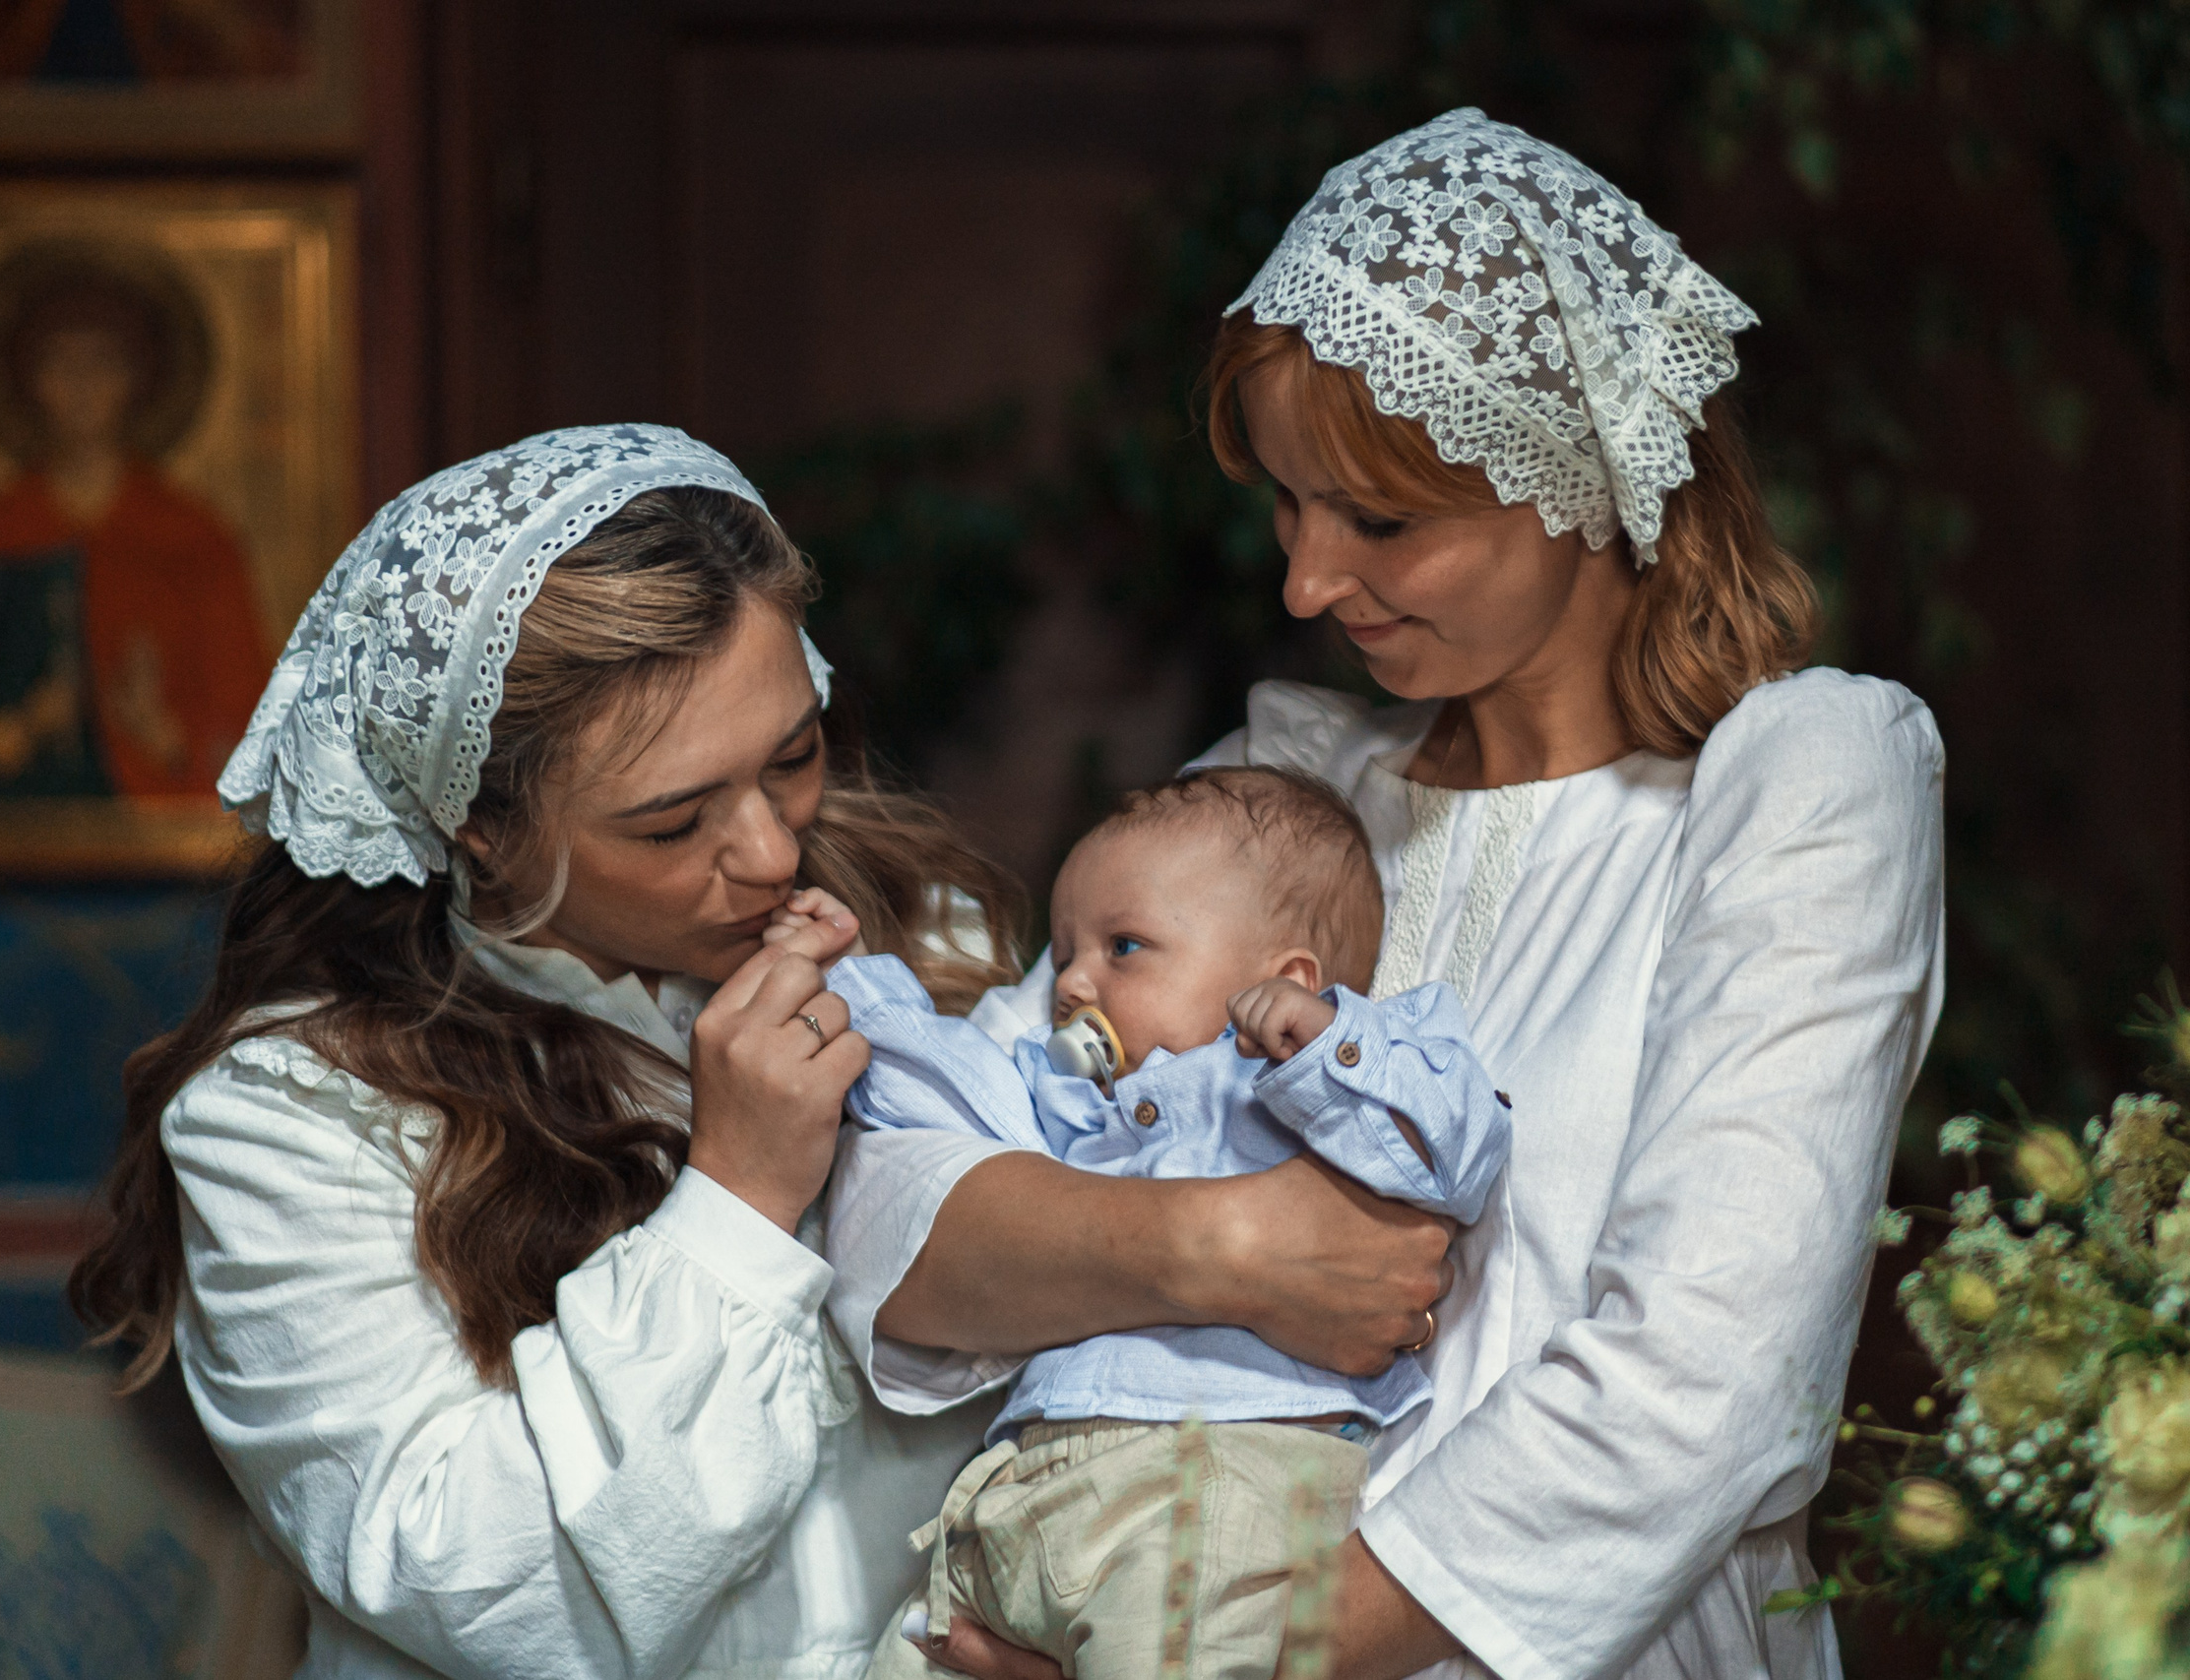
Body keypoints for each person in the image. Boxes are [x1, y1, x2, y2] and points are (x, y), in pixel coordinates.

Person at [829, 108, 1943, 1680]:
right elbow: (907, 1195)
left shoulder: (1791, 786)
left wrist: (1209, 1654)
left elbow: (1713, 1378)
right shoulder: (1293, 788)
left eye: (1381, 520)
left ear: (1574, 475)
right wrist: (1215, 1249)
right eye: (1287, 504)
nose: (1302, 582)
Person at [67, 424, 1424, 1679]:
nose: (772, 849)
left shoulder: (931, 942)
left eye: (793, 753)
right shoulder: (295, 1112)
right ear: (477, 826)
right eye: (671, 822)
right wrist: (736, 1195)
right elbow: (486, 1589)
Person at [810, 765, 1507, 1679]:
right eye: (1064, 952)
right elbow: (941, 1108)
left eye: (1123, 947)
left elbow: (1457, 1147)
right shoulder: (1074, 1106)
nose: (1072, 982)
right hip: (1021, 1491)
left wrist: (1322, 1043)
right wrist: (851, 994)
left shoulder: (1302, 1081)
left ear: (1286, 976)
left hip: (1214, 1481)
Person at [0, 271, 269, 801]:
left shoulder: (193, 539)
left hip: (164, 863)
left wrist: (166, 734)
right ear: (31, 382)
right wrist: (6, 736)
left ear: (136, 380)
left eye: (103, 364)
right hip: (7, 855)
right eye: (61, 364)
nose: (83, 386)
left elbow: (257, 746)